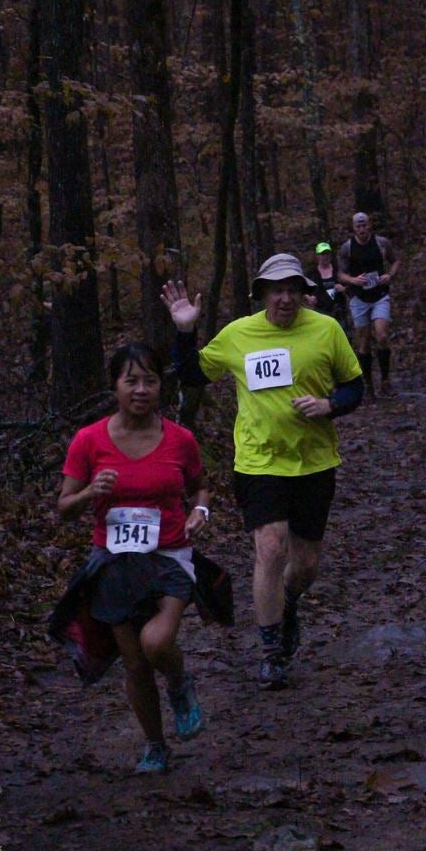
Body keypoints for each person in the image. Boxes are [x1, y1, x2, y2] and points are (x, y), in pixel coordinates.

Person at [161, 254, 363, 691]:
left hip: (314, 462)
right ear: (262, 295)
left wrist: (330, 405)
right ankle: (271, 652)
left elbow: (354, 386)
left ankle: (288, 603)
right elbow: (193, 373)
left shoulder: (326, 330)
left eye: (293, 289)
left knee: (305, 565)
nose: (285, 298)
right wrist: (184, 331)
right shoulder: (239, 334)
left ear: (303, 292)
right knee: (270, 548)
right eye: (276, 290)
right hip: (259, 462)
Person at [56, 342, 210, 774]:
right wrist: (89, 493)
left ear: (161, 386)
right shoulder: (89, 440)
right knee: (136, 663)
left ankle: (179, 683)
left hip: (169, 555)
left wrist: (201, 510)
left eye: (150, 381)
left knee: (156, 642)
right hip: (114, 562)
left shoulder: (180, 439)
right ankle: (155, 744)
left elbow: (200, 487)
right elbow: (64, 507)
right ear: (115, 387)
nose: (141, 390)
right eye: (131, 381)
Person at [337, 211, 400, 399]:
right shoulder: (347, 248)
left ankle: (386, 380)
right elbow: (340, 273)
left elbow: (395, 261)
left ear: (369, 225)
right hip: (359, 298)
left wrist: (390, 275)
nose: (362, 229)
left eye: (364, 225)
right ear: (353, 227)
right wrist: (353, 280)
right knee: (363, 342)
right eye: (358, 226)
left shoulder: (381, 243)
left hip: (380, 295)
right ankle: (368, 384)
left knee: (381, 335)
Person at [304, 241, 349, 331]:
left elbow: (351, 287)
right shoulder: (311, 273)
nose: (325, 256)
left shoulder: (338, 270)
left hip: (339, 310)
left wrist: (343, 289)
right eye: (322, 254)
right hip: (320, 311)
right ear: (317, 256)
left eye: (327, 254)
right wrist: (309, 298)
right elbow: (301, 290)